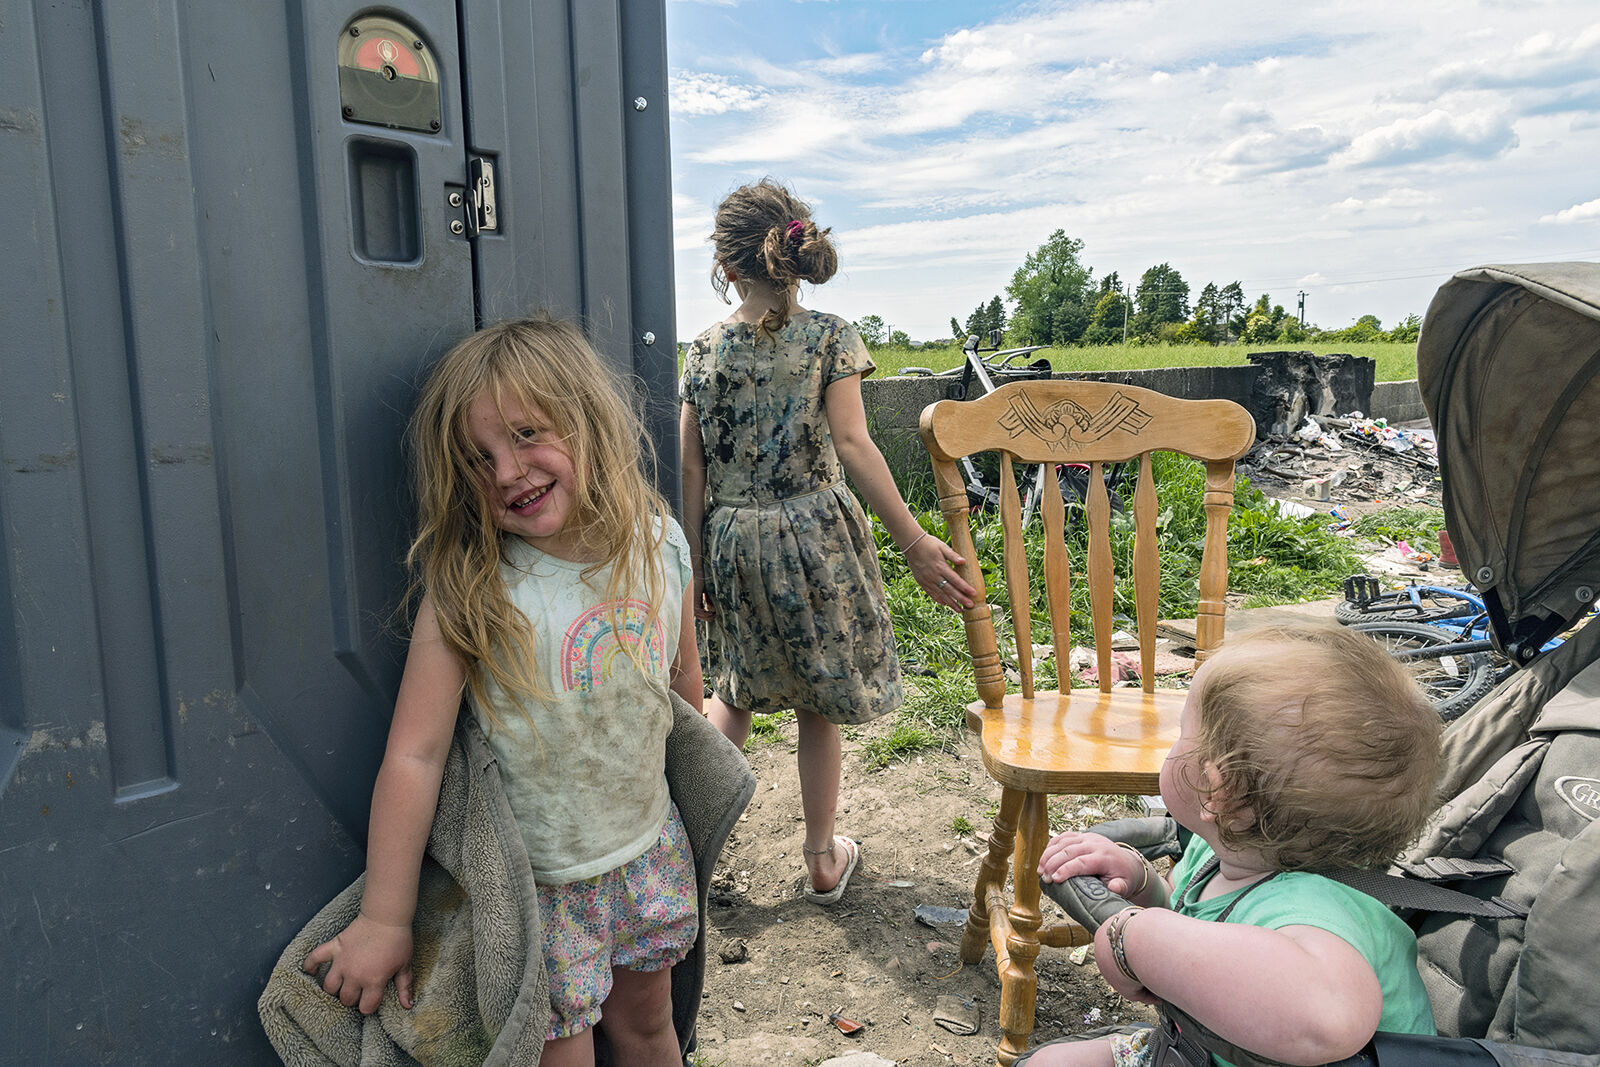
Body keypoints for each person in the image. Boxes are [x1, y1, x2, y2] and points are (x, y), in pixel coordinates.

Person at [302, 316, 704, 1067]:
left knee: (652, 1031)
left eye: (526, 434)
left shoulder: (661, 542)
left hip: (647, 855)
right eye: (478, 459)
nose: (508, 471)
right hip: (541, 895)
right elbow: (415, 755)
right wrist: (387, 918)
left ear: (587, 421)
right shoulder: (473, 591)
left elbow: (681, 690)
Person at [679, 178, 978, 903]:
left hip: (730, 537)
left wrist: (691, 570)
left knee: (734, 692)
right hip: (812, 535)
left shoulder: (704, 348)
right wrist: (912, 538)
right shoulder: (830, 336)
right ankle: (821, 857)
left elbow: (689, 464)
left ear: (726, 265)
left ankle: (681, 856)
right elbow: (853, 442)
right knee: (816, 697)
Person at [1027, 624, 1443, 1067]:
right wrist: (1143, 885)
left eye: (1181, 732)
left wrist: (1136, 938)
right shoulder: (1224, 854)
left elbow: (1329, 1020)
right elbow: (1200, 922)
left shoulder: (1318, 911)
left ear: (1217, 790)